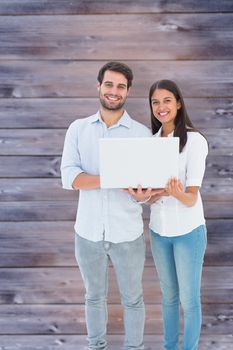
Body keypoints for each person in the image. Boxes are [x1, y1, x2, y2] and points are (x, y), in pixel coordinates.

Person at [60, 61, 156, 350]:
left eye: (121, 87)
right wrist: (112, 177)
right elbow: (70, 177)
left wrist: (142, 195)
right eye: (109, 84)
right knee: (93, 297)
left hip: (128, 234)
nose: (114, 91)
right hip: (88, 232)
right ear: (99, 86)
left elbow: (147, 193)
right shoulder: (78, 129)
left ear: (128, 92)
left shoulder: (141, 134)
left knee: (133, 299)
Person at [128, 79, 208, 350]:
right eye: (155, 102)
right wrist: (142, 198)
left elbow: (191, 197)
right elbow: (152, 195)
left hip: (188, 232)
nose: (161, 107)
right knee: (169, 297)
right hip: (160, 232)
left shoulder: (194, 141)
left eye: (166, 101)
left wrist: (175, 192)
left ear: (178, 103)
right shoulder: (150, 143)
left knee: (189, 299)